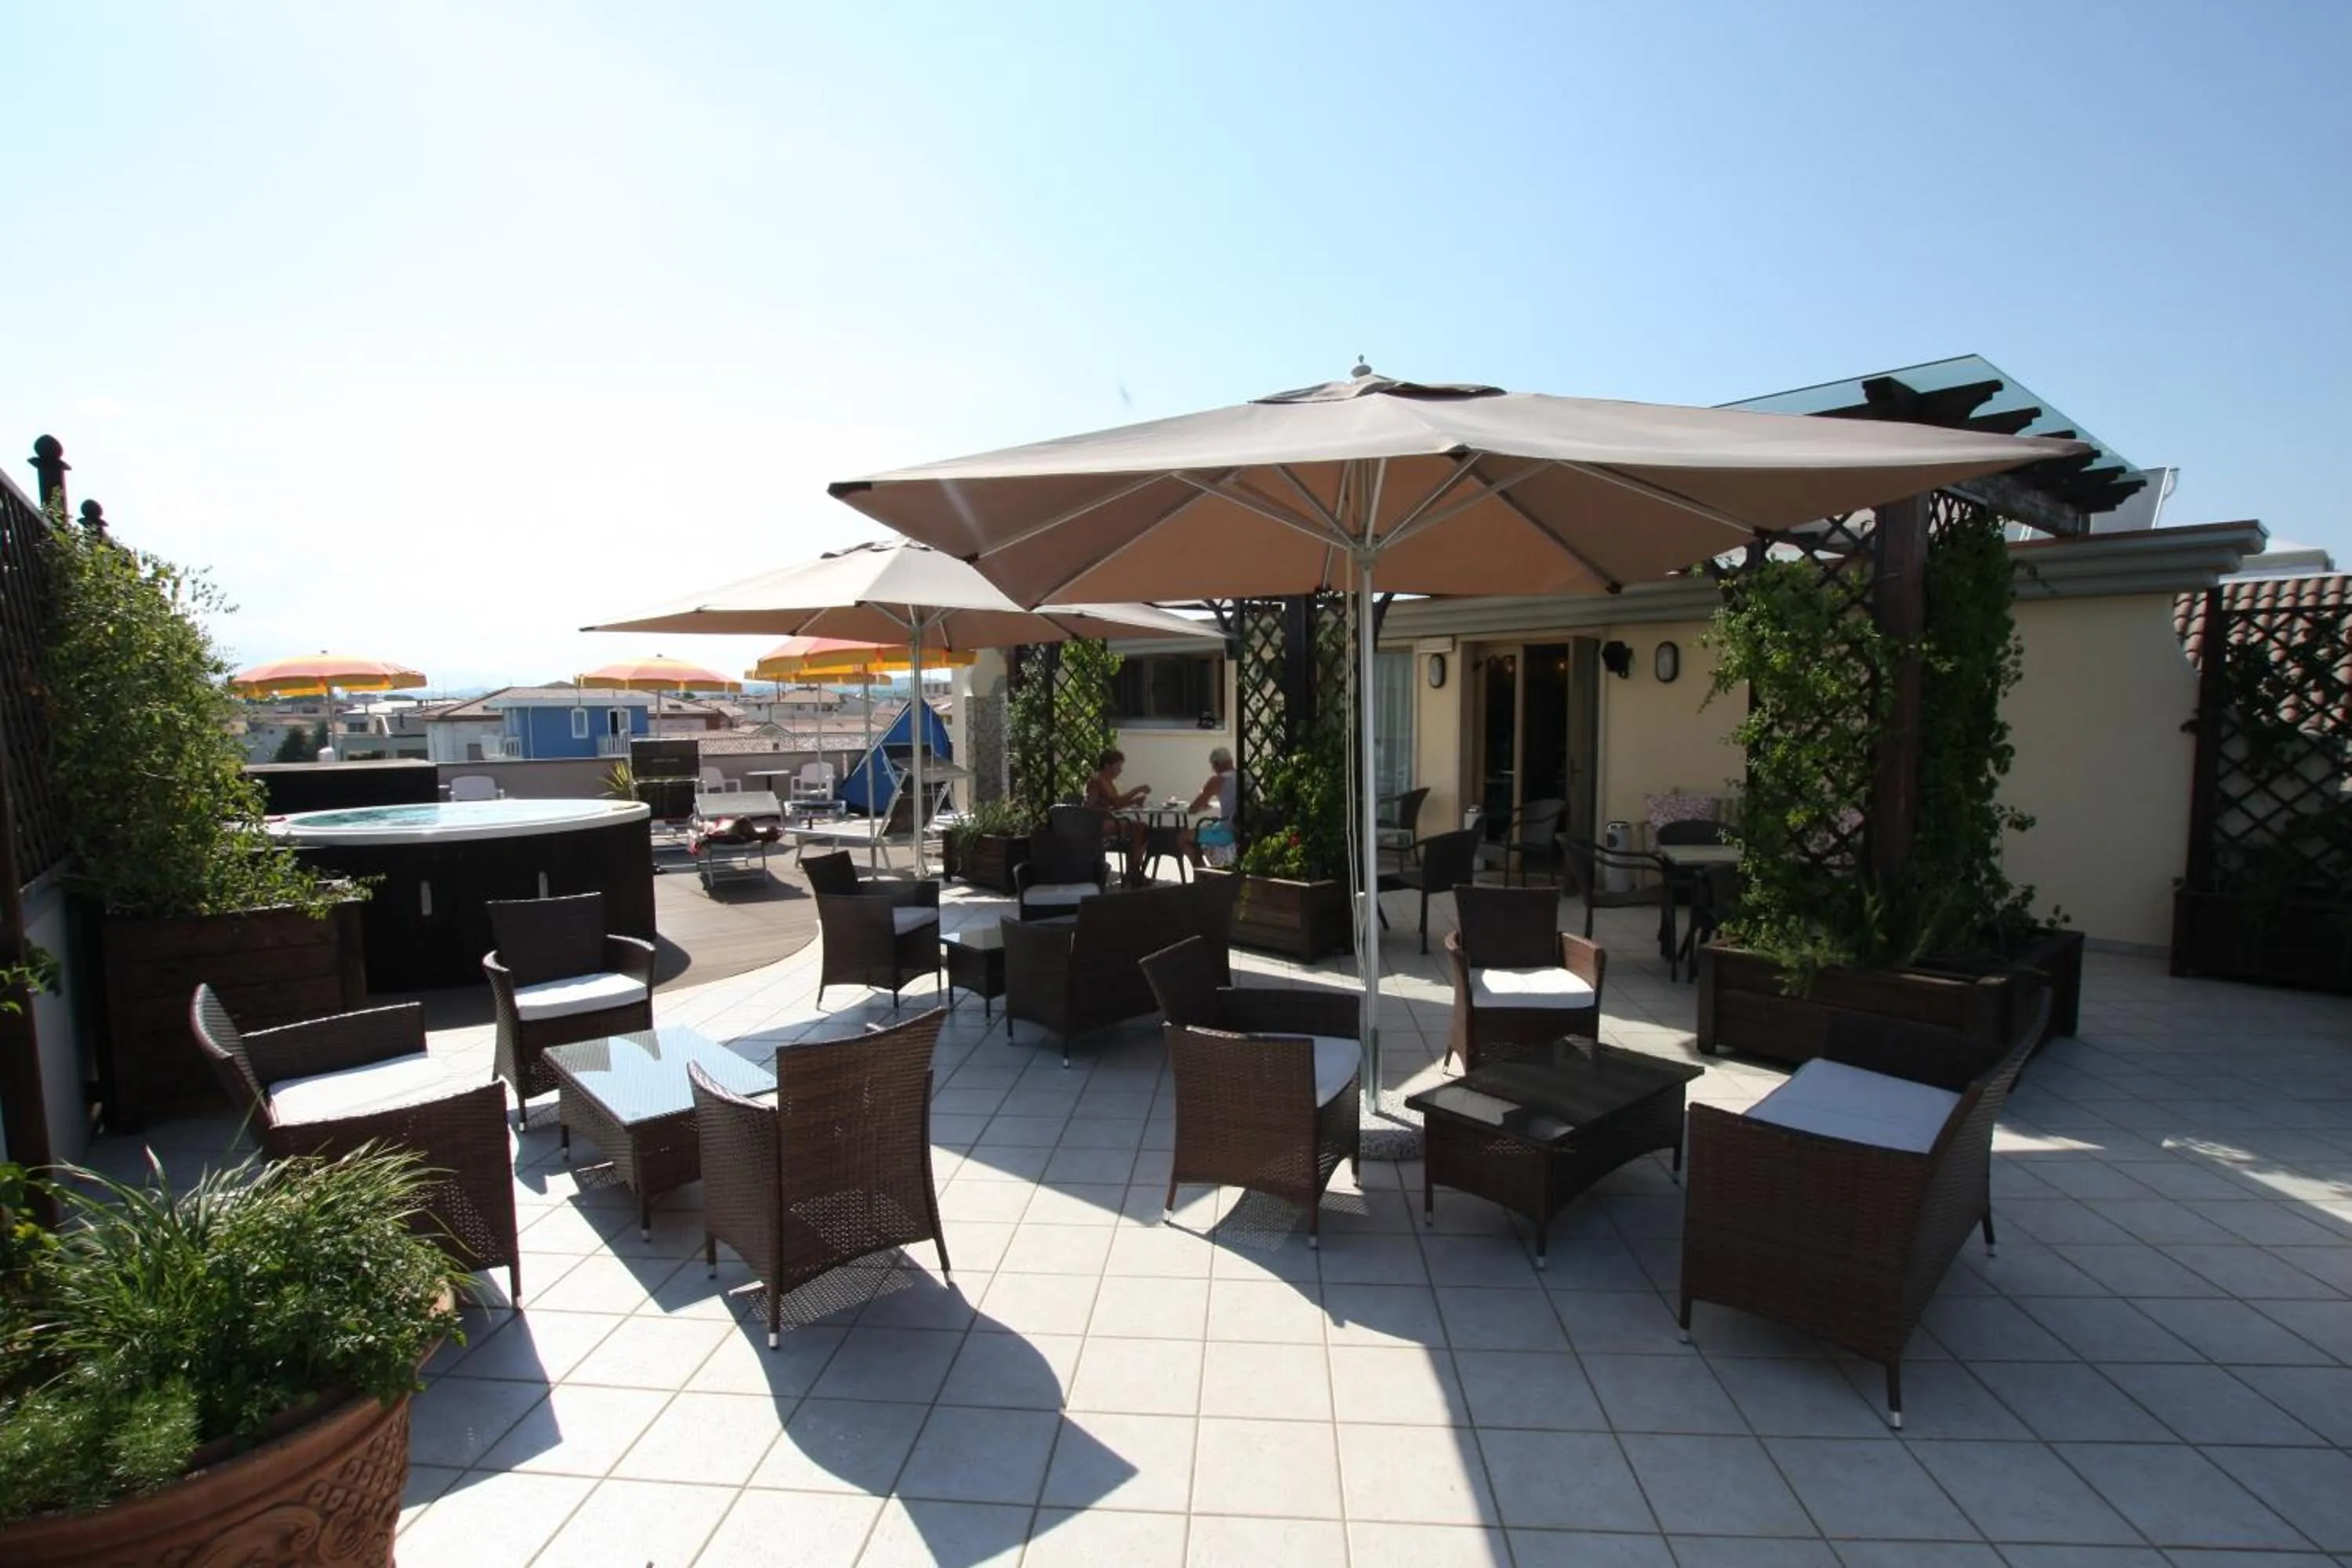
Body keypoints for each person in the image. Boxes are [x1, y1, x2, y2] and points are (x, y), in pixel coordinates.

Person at [1082, 748, 1152, 885]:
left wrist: (1134, 801)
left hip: (1106, 821)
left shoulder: (1106, 781)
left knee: (1140, 829)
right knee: (1140, 828)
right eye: (1118, 767)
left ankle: (1133, 871)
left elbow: (1116, 803)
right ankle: (1133, 872)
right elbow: (1110, 803)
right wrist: (1138, 790)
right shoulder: (1097, 781)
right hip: (1098, 824)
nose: (1120, 771)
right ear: (1107, 765)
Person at [1183, 746, 1240, 868]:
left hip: (1228, 831)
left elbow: (1193, 809)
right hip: (1244, 828)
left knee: (1182, 837)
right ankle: (1203, 873)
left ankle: (1201, 875)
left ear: (1216, 764)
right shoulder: (1244, 776)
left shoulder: (1217, 780)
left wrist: (1203, 802)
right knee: (1204, 830)